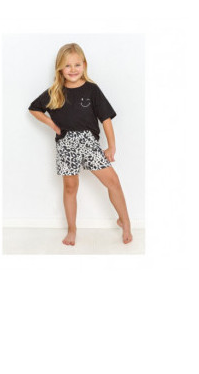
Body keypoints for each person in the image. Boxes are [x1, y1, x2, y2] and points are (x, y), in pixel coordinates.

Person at [28, 42, 133, 246]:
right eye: (67, 66)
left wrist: (111, 146)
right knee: (70, 187)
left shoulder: (92, 90)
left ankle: (125, 222)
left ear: (84, 65)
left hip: (89, 142)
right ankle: (72, 229)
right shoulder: (55, 91)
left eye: (77, 64)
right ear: (60, 68)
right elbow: (34, 108)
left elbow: (106, 119)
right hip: (66, 145)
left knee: (113, 182)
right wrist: (52, 124)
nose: (73, 69)